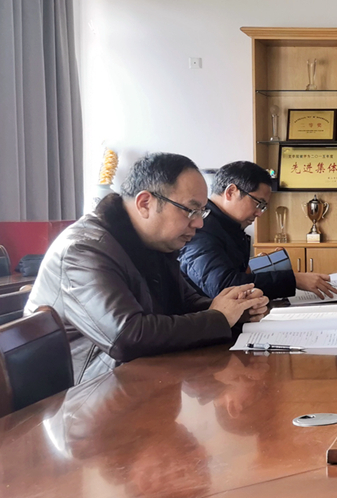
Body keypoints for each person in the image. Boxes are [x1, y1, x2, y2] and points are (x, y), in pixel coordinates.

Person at [26, 153, 269, 383]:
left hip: (138, 379)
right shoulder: (84, 250)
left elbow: (185, 304)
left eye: (201, 211)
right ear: (145, 203)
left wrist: (236, 311)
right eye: (190, 210)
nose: (199, 223)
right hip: (82, 394)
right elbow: (127, 337)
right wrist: (218, 318)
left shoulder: (153, 242)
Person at [178, 161, 337, 300]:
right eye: (258, 203)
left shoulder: (227, 226)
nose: (259, 213)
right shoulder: (202, 229)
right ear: (231, 192)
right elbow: (223, 286)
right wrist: (294, 280)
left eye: (263, 207)